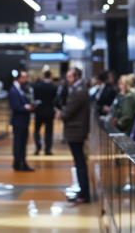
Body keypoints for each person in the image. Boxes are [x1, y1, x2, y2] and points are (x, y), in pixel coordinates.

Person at [56, 68, 91, 203]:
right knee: (79, 163)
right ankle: (82, 191)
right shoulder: (79, 89)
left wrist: (61, 114)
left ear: (76, 76)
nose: (67, 80)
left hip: (76, 131)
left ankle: (84, 194)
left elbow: (69, 111)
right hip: (76, 130)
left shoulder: (79, 91)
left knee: (80, 163)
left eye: (69, 77)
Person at [9, 70, 35, 171]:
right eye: (23, 77)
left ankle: (20, 161)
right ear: (18, 78)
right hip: (18, 121)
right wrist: (26, 107)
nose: (25, 79)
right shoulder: (14, 90)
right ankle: (18, 162)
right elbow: (15, 107)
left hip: (22, 121)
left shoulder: (20, 89)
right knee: (19, 143)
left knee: (22, 143)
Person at [33, 71, 57, 155]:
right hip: (49, 112)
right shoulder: (53, 87)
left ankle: (38, 146)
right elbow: (55, 100)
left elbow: (35, 98)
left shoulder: (37, 86)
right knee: (49, 132)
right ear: (50, 76)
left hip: (39, 111)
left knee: (36, 130)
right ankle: (47, 149)